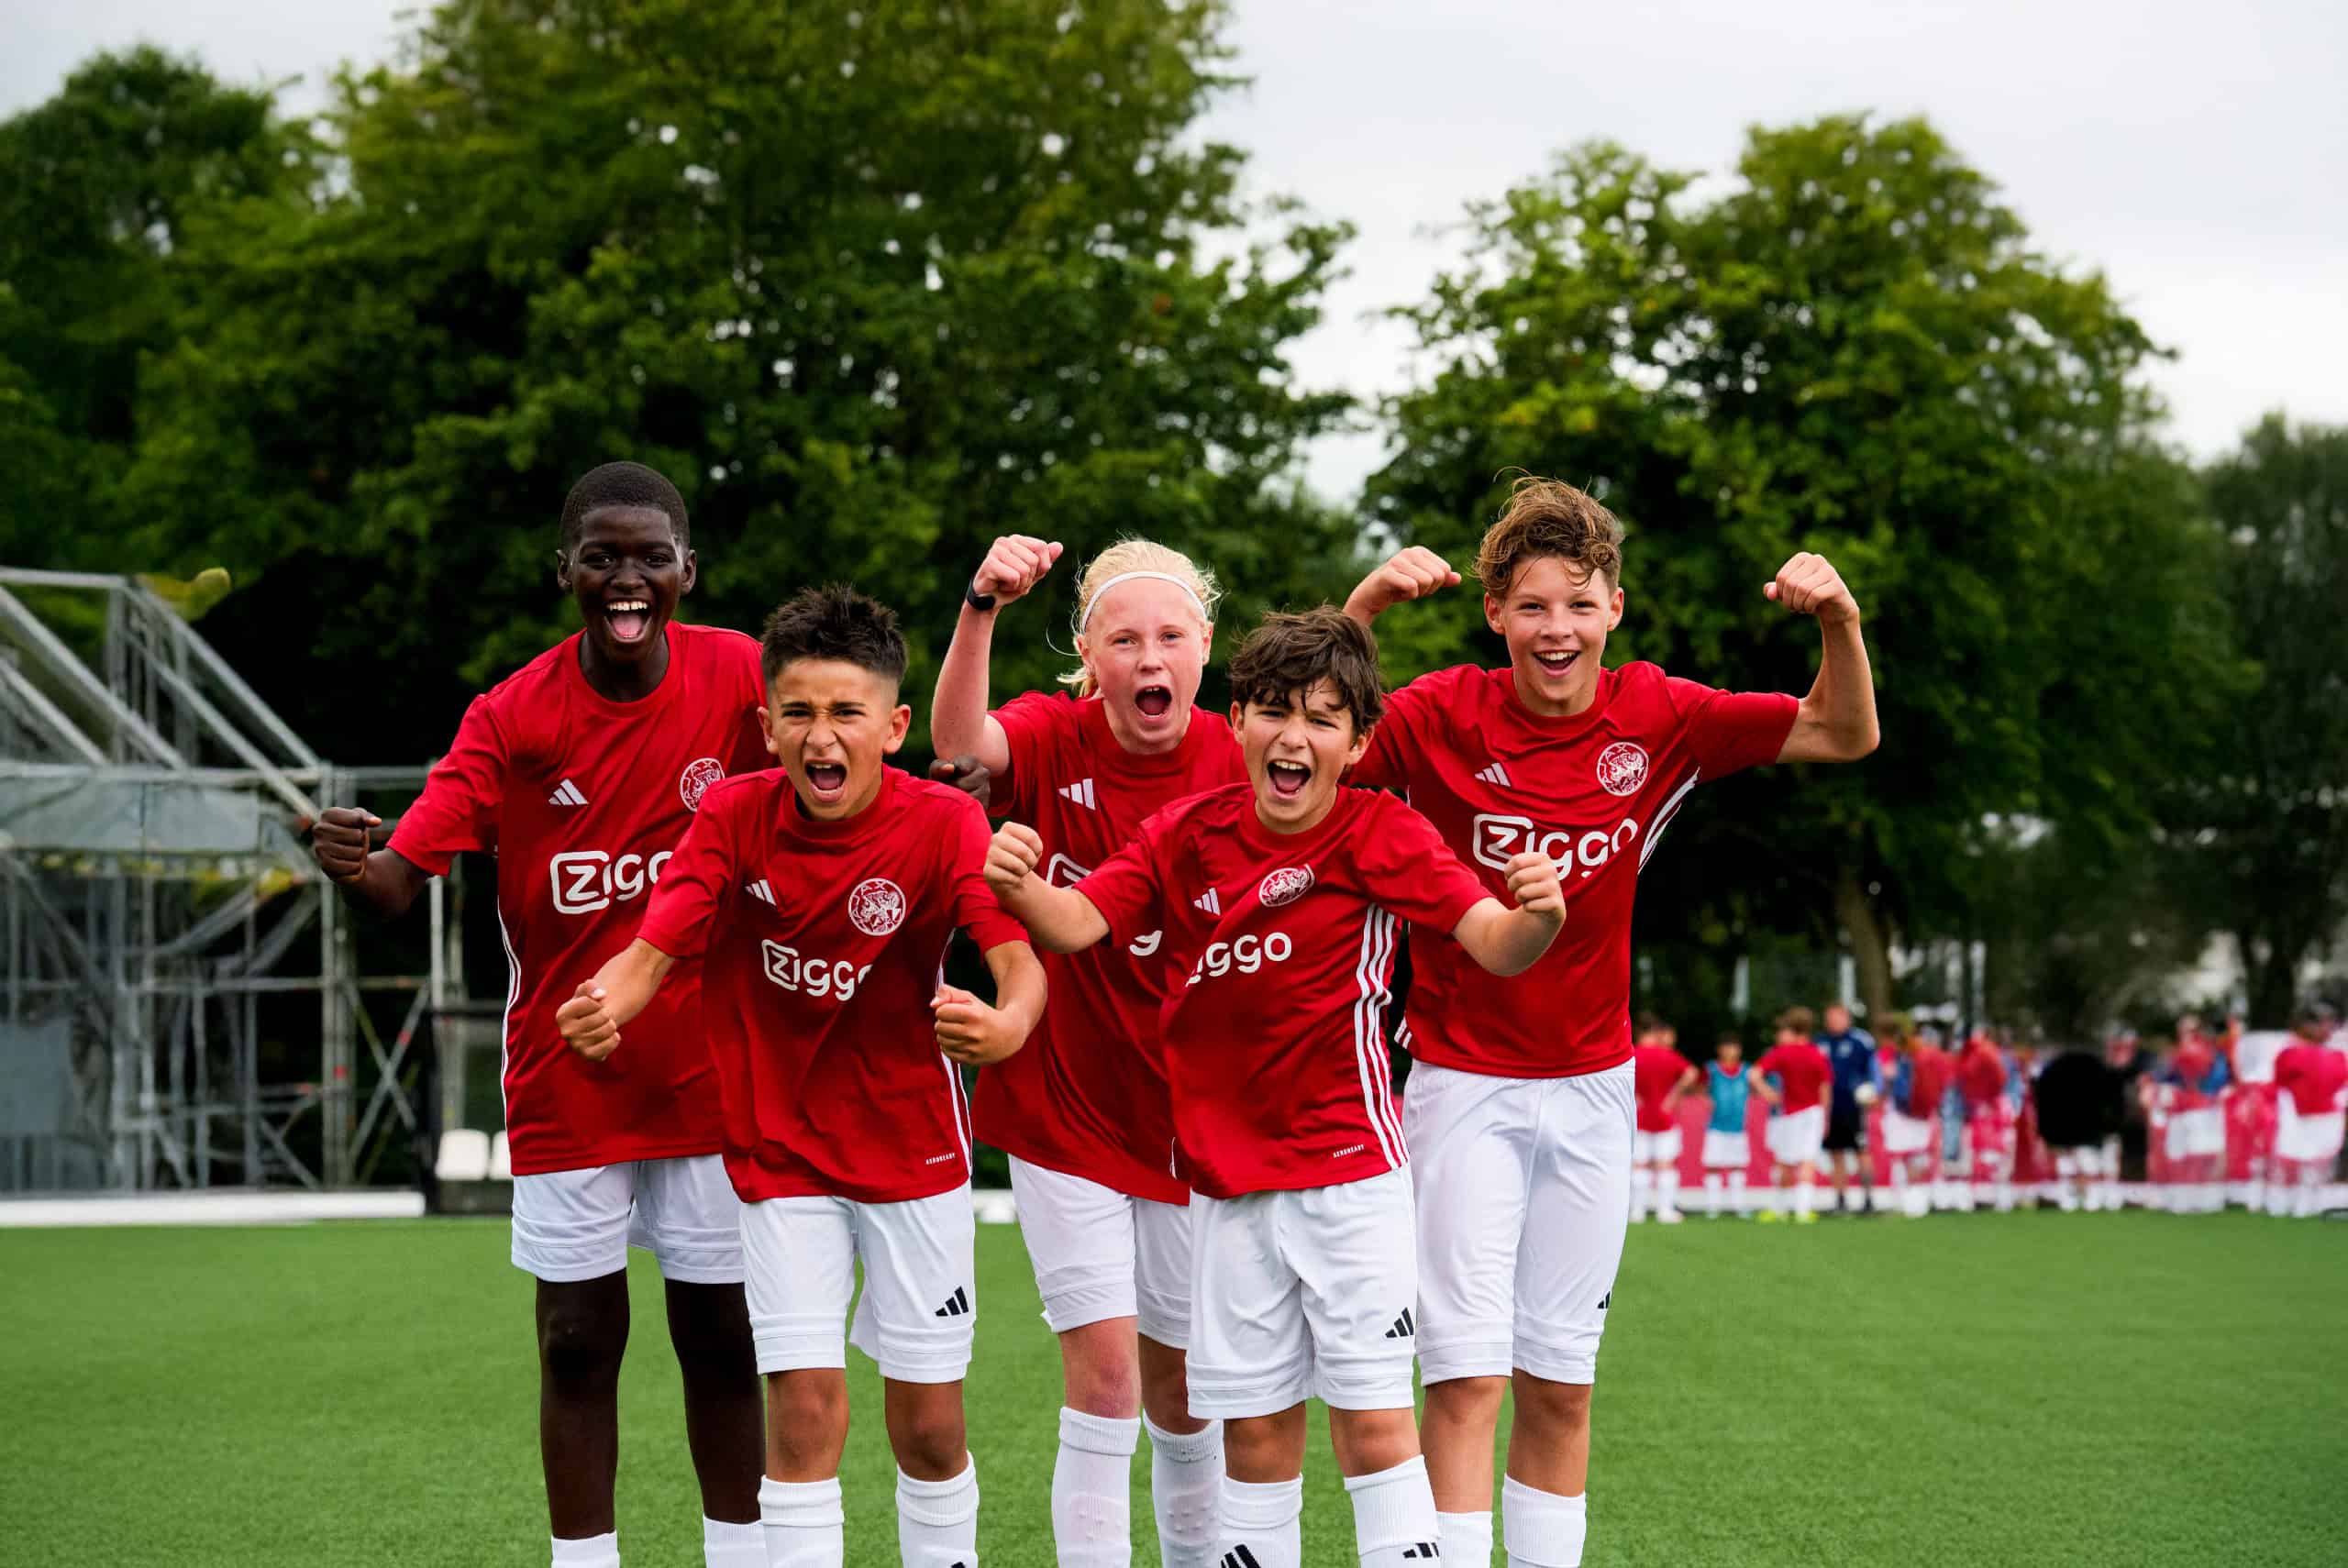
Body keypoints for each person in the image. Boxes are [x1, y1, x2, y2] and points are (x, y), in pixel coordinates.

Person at [1337, 478, 1877, 1567]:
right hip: (1461, 1083)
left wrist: (1838, 619)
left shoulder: (1660, 713)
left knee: (1562, 1383)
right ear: (1494, 611)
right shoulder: (1439, 712)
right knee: (1464, 1377)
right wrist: (1362, 610)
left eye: (1580, 606)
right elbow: (1307, 747)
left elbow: (1840, 731)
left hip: (1594, 1090)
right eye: (1534, 606)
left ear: (1614, 610)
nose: (1558, 630)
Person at [984, 607, 1567, 1568]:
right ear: (1238, 722)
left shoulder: (1381, 830)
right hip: (1223, 1192)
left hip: (1348, 1182)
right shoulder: (1185, 832)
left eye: (1322, 719)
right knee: (1252, 1438)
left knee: (1372, 1427)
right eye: (1273, 711)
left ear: (1358, 744)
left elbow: (1494, 942)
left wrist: (1536, 917)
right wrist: (1019, 883)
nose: (1294, 736)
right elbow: (1076, 923)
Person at [308, 461, 770, 1568]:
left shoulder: (742, 677)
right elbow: (397, 883)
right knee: (573, 1343)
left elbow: (840, 774)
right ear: (564, 571)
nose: (626, 578)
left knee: (720, 1339)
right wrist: (350, 864)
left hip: (712, 1073)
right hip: (568, 1079)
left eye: (650, 557)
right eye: (601, 558)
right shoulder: (511, 714)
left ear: (688, 570)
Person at [557, 584, 1047, 1568]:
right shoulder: (733, 815)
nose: (822, 737)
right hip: (780, 1156)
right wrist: (601, 1004)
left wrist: (1007, 1025)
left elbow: (1018, 964)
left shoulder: (944, 821)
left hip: (913, 1153)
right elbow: (649, 956)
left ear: (894, 728)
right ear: (766, 725)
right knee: (804, 1413)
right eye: (799, 712)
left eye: (846, 712)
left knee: (929, 1428)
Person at [929, 534, 1241, 1568]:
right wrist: (981, 604)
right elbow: (957, 740)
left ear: (1205, 646)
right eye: (1124, 640)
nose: (1149, 658)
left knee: (1187, 1392)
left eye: (1170, 637)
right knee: (1104, 1379)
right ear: (1088, 655)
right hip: (1063, 1111)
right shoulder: (1052, 736)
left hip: (1194, 1122)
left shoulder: (1241, 756)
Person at [1755, 1009, 1831, 1222]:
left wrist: (1768, 1093)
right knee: (1808, 1161)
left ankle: (1780, 1208)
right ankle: (1803, 1211)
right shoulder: (1817, 1054)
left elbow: (1754, 1074)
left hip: (1790, 1114)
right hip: (1813, 1113)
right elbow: (1825, 1087)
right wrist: (1825, 1116)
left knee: (1785, 1162)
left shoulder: (1782, 1053)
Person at [2271, 1009, 2346, 1218]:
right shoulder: (2289, 1054)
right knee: (2297, 1161)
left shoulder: (2337, 1055)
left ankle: (2311, 1202)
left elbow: (2341, 1083)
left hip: (2325, 1116)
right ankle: (2290, 1202)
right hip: (2298, 1117)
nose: (2326, 1029)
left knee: (2318, 1163)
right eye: (2321, 1024)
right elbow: (2280, 1084)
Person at [2031, 1047, 2123, 1212]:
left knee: (2088, 1164)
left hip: (2087, 1132)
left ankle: (2091, 1198)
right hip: (2066, 1131)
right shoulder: (2057, 1084)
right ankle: (2071, 1198)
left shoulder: (2096, 1081)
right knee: (2068, 1165)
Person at [1816, 1002, 1882, 1214]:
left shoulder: (1861, 1041)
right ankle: (1840, 1200)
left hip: (1854, 1107)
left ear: (1847, 1019)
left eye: (1837, 1018)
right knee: (1836, 1153)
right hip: (1830, 1108)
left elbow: (1874, 1070)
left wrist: (1875, 1092)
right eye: (1829, 1018)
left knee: (1861, 1151)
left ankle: (1868, 1200)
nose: (1833, 1022)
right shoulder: (1820, 1042)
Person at [1630, 1020, 1699, 1223]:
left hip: (1639, 1116)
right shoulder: (1667, 1055)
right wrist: (1673, 1097)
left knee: (1639, 1165)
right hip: (1664, 1115)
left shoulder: (1631, 1055)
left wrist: (1634, 1095)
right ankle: (1665, 1210)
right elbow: (1691, 1073)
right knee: (1666, 1165)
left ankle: (1637, 1211)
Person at [1881, 1025, 1953, 1218]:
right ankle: (1912, 1200)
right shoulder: (1928, 1058)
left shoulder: (1916, 1059)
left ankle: (1910, 1200)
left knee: (1908, 1157)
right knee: (1913, 1157)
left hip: (1911, 1112)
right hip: (1918, 1113)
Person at [2159, 1023, 2232, 1213]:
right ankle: (2191, 1198)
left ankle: (2191, 1198)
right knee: (2195, 1156)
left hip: (2197, 1109)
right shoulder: (2198, 1054)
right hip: (2194, 1109)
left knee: (2195, 1156)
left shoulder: (2192, 1053)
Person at [1956, 1030, 2017, 1211]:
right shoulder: (1995, 1056)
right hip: (1990, 1111)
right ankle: (1991, 1195)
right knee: (1992, 1156)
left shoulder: (1982, 1056)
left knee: (1985, 1155)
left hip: (1987, 1111)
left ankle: (1985, 1195)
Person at [1700, 1034, 1757, 1218]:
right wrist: (1707, 1101)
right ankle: (1713, 1206)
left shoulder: (1747, 1071)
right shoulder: (1712, 1070)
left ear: (1739, 1050)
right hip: (1716, 1127)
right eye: (1726, 1047)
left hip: (1738, 1128)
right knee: (1713, 1165)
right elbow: (1701, 1089)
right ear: (1719, 1050)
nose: (1730, 1051)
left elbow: (1757, 1088)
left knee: (1737, 1166)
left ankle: (1737, 1205)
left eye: (1733, 1047)